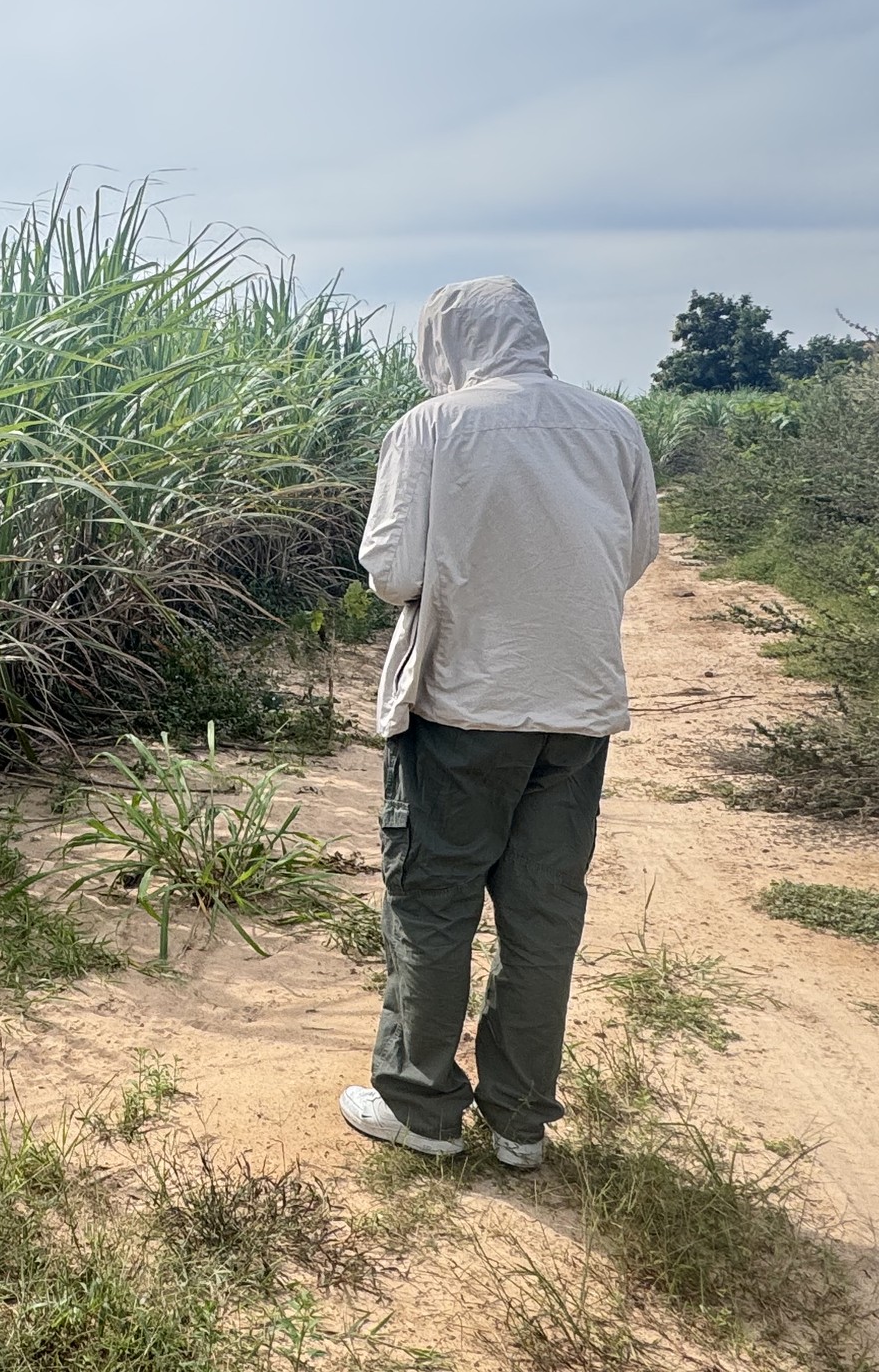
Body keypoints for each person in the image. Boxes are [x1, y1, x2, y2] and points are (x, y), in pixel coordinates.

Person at [338, 277, 659, 1170]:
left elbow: (392, 571)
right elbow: (634, 553)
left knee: (435, 900)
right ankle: (519, 1121)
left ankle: (422, 1107)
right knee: (543, 910)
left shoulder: (432, 428)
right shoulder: (614, 424)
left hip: (463, 706)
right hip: (578, 709)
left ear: (448, 342)